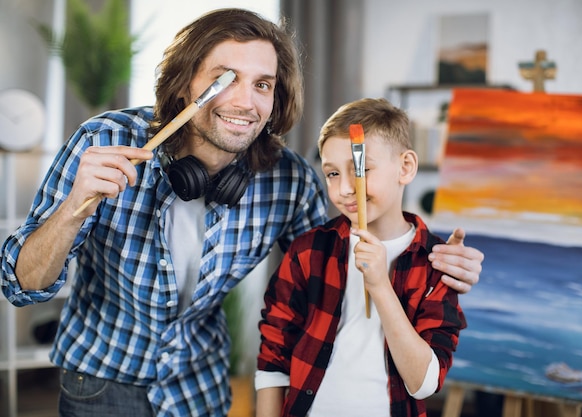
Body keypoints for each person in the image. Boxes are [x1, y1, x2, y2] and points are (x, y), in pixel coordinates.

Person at [0, 8, 482, 417]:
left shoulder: (287, 179)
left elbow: (344, 258)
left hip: (200, 387)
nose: (245, 102)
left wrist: (435, 256)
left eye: (263, 85)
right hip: (99, 382)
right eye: (225, 79)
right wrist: (71, 210)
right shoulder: (103, 141)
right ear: (188, 84)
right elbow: (18, 285)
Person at [256, 97, 467, 417]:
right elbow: (273, 357)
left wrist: (380, 286)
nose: (344, 189)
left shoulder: (437, 263)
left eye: (360, 169)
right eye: (331, 174)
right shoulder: (308, 252)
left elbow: (423, 384)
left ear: (405, 167)